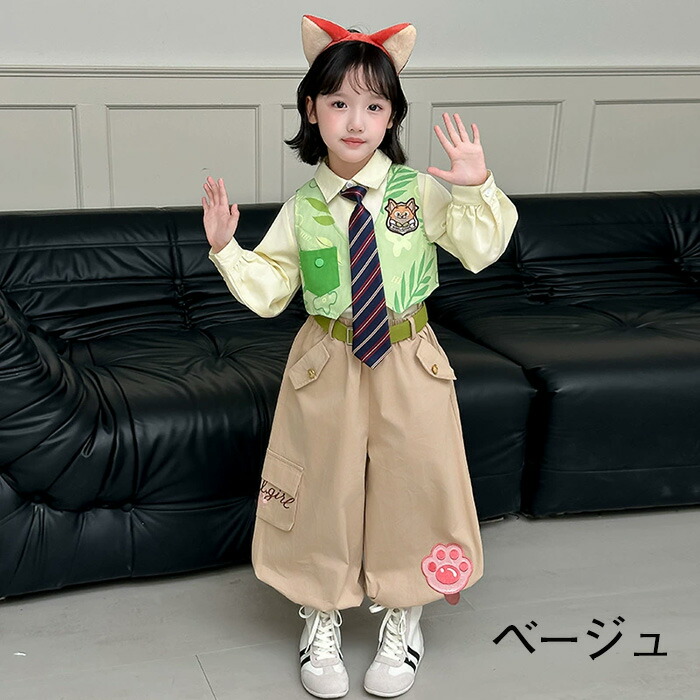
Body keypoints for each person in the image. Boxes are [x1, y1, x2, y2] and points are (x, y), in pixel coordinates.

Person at [202, 14, 518, 699]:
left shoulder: (416, 191)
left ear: (392, 116)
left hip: (409, 354)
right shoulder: (303, 208)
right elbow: (271, 290)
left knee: (417, 483)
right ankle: (320, 614)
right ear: (310, 110)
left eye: (374, 105)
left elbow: (479, 249)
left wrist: (476, 185)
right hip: (328, 357)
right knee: (323, 487)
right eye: (339, 102)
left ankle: (407, 612)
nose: (355, 121)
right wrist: (228, 250)